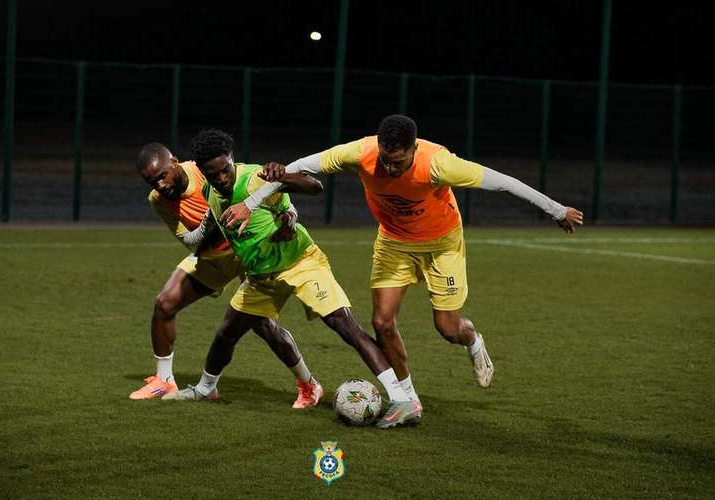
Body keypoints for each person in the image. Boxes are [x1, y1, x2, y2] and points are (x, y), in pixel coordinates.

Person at [220, 114, 584, 418]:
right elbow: (299, 167)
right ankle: (407, 400)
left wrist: (556, 210)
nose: (390, 167)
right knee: (381, 322)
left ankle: (473, 341)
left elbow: (503, 183)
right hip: (394, 243)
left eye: (398, 161)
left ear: (414, 148)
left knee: (447, 327)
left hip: (442, 246)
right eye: (385, 159)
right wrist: (252, 203)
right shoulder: (360, 152)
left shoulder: (438, 163)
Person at [163, 129, 421, 429]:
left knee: (343, 324)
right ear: (203, 173)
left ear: (232, 160)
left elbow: (314, 187)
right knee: (226, 332)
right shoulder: (211, 195)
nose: (222, 178)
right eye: (213, 173)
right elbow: (224, 228)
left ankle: (400, 398)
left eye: (225, 169)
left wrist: (284, 178)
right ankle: (205, 389)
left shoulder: (255, 178)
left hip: (300, 263)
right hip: (262, 276)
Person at [131, 142, 323, 410]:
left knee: (263, 324)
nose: (160, 185)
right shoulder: (158, 200)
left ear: (175, 161)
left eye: (162, 175)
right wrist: (213, 219)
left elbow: (262, 193)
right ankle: (164, 380)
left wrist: (290, 214)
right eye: (151, 181)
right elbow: (191, 242)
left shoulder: (204, 172)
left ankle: (308, 383)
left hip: (248, 253)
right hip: (213, 256)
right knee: (165, 303)